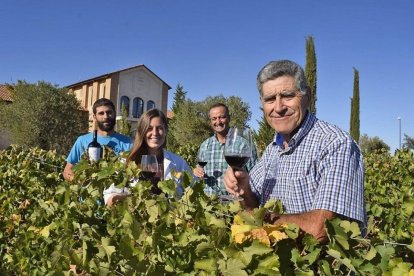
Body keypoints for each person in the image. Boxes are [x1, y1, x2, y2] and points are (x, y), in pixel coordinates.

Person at [223, 60, 366, 240]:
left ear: (307, 96)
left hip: (318, 267)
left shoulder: (335, 144)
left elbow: (321, 229)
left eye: (288, 96)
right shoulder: (272, 151)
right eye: (269, 99)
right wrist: (244, 190)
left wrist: (262, 221)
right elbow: (252, 206)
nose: (278, 107)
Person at [103, 108, 192, 206]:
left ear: (165, 130)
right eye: (149, 128)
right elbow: (109, 197)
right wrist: (130, 198)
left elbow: (192, 192)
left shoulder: (179, 163)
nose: (155, 133)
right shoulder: (125, 161)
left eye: (159, 128)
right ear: (142, 131)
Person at [193, 103, 257, 196]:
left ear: (229, 118)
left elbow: (254, 177)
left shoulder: (244, 145)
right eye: (214, 119)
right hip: (210, 205)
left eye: (222, 117)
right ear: (210, 121)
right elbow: (199, 169)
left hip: (236, 204)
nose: (218, 122)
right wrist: (198, 172)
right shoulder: (205, 145)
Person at [63, 98, 133, 181]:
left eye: (109, 112)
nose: (106, 116)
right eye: (101, 113)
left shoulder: (128, 142)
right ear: (94, 117)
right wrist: (81, 182)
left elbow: (133, 171)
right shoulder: (82, 141)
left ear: (114, 113)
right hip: (90, 192)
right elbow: (67, 170)